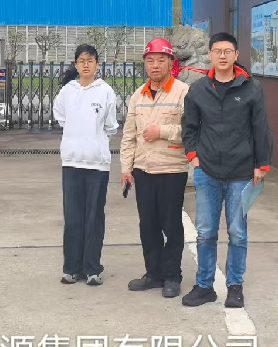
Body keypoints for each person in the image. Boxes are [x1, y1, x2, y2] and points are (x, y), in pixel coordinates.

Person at [181, 32, 273, 308]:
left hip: (241, 172)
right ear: (210, 55)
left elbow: (260, 127)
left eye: (227, 51)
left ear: (236, 55)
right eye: (217, 51)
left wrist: (262, 164)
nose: (222, 56)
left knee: (237, 232)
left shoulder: (251, 88)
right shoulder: (199, 90)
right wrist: (194, 156)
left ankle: (235, 286)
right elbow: (189, 127)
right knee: (206, 232)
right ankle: (204, 285)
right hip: (207, 171)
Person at [120, 38, 191, 298]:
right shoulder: (138, 95)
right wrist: (126, 168)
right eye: (150, 60)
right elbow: (129, 135)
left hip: (172, 170)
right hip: (143, 170)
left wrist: (161, 131)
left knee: (171, 225)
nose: (155, 65)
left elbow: (192, 131)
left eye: (161, 60)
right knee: (147, 225)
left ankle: (172, 276)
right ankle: (153, 273)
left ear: (171, 63)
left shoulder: (183, 92)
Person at [53, 44, 119, 286]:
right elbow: (61, 117)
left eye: (90, 61)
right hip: (71, 162)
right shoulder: (67, 92)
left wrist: (93, 140)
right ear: (76, 64)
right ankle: (71, 268)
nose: (86, 65)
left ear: (97, 65)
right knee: (72, 218)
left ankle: (92, 268)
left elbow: (110, 126)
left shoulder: (105, 92)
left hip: (97, 165)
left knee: (93, 217)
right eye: (81, 61)